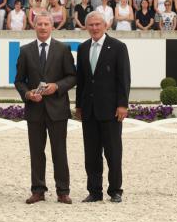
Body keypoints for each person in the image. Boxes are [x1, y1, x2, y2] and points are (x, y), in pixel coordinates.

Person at [14, 12, 76, 205]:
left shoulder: (63, 49)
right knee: (36, 152)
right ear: (34, 26)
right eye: (39, 24)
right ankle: (38, 190)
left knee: (59, 151)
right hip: (35, 110)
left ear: (52, 26)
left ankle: (63, 191)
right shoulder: (25, 51)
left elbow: (72, 77)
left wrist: (57, 87)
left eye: (45, 24)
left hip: (57, 109)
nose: (42, 27)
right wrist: (28, 94)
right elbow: (19, 81)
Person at [75, 11, 130, 203]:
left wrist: (123, 104)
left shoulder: (118, 47)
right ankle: (94, 191)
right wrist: (79, 106)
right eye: (91, 25)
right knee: (91, 154)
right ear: (86, 26)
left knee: (113, 152)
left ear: (105, 25)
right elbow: (81, 80)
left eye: (98, 24)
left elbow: (123, 79)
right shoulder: (82, 48)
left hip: (111, 110)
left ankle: (115, 190)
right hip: (89, 110)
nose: (94, 28)